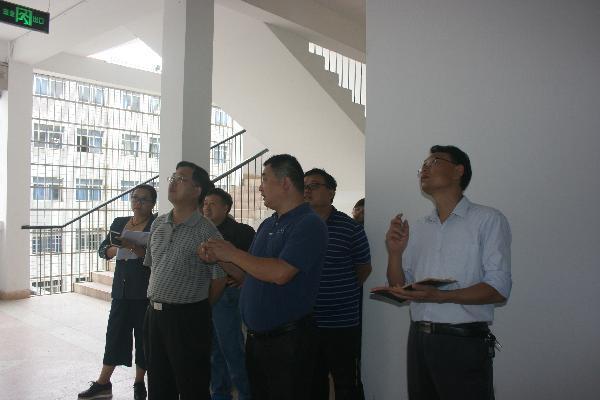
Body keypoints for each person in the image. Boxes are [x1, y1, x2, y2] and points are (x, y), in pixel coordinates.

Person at [383, 145, 512, 400]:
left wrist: (441, 296)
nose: (424, 169)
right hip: (418, 338)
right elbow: (399, 287)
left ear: (458, 171)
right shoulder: (418, 227)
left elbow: (498, 289)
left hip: (462, 341)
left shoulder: (488, 219)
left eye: (433, 162)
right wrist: (395, 253)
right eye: (422, 166)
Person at [198, 154, 328, 400]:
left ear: (285, 183)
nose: (260, 187)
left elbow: (281, 273)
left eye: (265, 179)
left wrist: (233, 253)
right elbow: (247, 275)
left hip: (289, 341)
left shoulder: (309, 224)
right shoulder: (268, 224)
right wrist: (219, 257)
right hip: (259, 340)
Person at [143, 161, 227, 400]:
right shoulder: (158, 223)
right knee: (158, 385)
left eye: (180, 179)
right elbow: (153, 266)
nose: (172, 182)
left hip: (188, 318)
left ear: (197, 190)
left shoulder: (206, 231)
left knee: (193, 386)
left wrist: (197, 308)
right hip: (154, 315)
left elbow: (220, 279)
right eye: (172, 177)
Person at [78, 184, 157, 400]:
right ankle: (103, 382)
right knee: (115, 335)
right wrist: (117, 248)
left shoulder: (156, 224)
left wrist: (135, 248)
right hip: (121, 290)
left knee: (143, 338)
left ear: (152, 203)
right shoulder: (119, 223)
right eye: (135, 197)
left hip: (144, 290)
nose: (138, 202)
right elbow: (103, 249)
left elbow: (157, 256)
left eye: (143, 199)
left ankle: (139, 382)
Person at [303, 168, 371, 400]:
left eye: (314, 185)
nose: (307, 191)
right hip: (305, 320)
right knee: (312, 382)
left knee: (346, 382)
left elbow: (364, 268)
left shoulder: (350, 227)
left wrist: (339, 290)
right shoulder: (298, 226)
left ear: (331, 192)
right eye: (304, 186)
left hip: (341, 322)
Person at [202, 188, 255, 400]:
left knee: (232, 349)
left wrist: (241, 276)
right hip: (206, 294)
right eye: (205, 204)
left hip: (228, 296)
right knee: (214, 350)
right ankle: (220, 393)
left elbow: (252, 262)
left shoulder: (241, 232)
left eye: (212, 204)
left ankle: (245, 393)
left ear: (226, 208)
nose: (207, 208)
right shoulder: (200, 230)